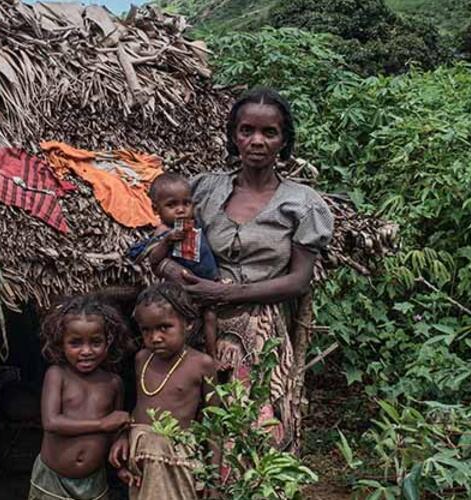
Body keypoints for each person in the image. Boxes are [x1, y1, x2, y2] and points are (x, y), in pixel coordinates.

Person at [161, 87, 334, 453]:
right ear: (233, 135)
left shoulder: (303, 203)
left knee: (257, 432)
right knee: (193, 428)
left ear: (283, 141)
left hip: (261, 331)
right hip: (195, 322)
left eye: (269, 133)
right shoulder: (202, 189)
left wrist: (226, 293)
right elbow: (161, 242)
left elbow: (299, 280)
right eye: (246, 130)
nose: (256, 141)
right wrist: (174, 273)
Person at [109, 283, 218, 500]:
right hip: (141, 455)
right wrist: (122, 436)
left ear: (187, 324)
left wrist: (212, 479)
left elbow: (214, 423)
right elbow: (139, 406)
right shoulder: (142, 358)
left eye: (164, 327)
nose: (155, 337)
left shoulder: (201, 364)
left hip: (178, 458)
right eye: (146, 330)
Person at [32, 295, 131, 500]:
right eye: (75, 343)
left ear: (108, 342)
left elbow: (115, 427)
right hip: (52, 481)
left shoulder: (113, 383)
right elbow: (51, 422)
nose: (86, 351)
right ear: (61, 343)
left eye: (96, 342)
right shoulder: (57, 374)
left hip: (94, 483)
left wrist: (121, 442)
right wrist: (101, 424)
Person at [126, 172, 221, 354]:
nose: (181, 209)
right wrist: (167, 241)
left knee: (210, 316)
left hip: (209, 282)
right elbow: (154, 259)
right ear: (156, 210)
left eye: (186, 203)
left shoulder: (196, 224)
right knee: (177, 319)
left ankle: (212, 355)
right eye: (172, 205)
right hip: (182, 288)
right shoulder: (163, 232)